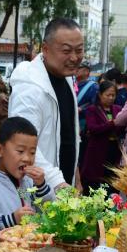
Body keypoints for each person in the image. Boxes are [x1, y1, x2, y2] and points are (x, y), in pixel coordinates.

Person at [9, 18, 83, 192]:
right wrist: (58, 183)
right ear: (45, 49)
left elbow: (68, 135)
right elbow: (22, 145)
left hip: (64, 188)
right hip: (37, 191)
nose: (74, 57)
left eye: (79, 50)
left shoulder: (65, 77)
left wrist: (75, 177)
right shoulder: (29, 87)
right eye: (66, 51)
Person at [80, 81, 122, 194]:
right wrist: (112, 123)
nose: (111, 98)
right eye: (108, 95)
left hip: (114, 151)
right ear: (100, 95)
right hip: (97, 151)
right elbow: (93, 129)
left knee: (112, 181)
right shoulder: (92, 110)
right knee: (95, 182)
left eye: (113, 95)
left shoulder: (118, 109)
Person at [75, 60, 98, 167]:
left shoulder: (93, 87)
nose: (76, 70)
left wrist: (82, 110)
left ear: (86, 72)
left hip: (83, 126)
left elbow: (95, 107)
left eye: (79, 68)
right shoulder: (72, 84)